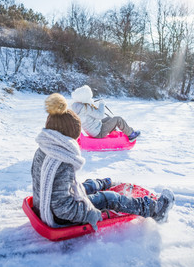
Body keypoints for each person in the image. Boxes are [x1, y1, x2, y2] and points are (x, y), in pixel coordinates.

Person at [31, 93, 174, 231]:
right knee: (109, 198)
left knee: (86, 185)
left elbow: (58, 188)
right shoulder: (61, 161)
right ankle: (155, 210)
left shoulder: (45, 149)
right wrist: (88, 213)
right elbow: (63, 209)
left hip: (44, 203)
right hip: (59, 216)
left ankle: (105, 183)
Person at [71, 85, 140, 141]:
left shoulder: (78, 106)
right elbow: (100, 115)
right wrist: (101, 104)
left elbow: (92, 114)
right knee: (118, 119)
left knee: (109, 118)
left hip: (93, 130)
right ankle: (131, 134)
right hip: (98, 132)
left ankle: (114, 133)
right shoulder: (86, 108)